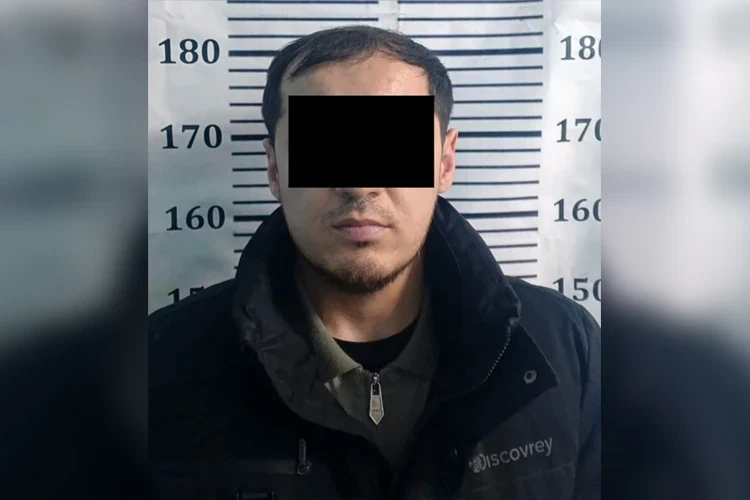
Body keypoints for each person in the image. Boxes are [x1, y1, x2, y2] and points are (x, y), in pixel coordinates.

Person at [149, 25, 601, 500]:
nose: (359, 184)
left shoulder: (569, 351)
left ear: (445, 163)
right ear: (275, 168)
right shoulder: (161, 368)